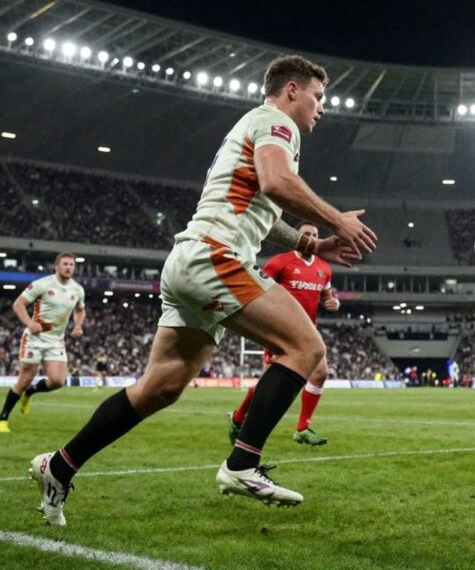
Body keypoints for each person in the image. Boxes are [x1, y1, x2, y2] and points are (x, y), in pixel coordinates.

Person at [29, 54, 377, 526]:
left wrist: (313, 242)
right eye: (318, 97)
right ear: (291, 89)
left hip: (191, 260)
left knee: (161, 387)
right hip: (216, 256)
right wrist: (336, 219)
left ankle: (59, 466)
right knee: (306, 347)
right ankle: (242, 464)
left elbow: (262, 210)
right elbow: (277, 183)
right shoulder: (277, 121)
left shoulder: (256, 126)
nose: (322, 108)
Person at [229, 221, 340, 447]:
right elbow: (259, 287)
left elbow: (327, 295)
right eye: (306, 234)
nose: (311, 237)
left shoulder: (323, 268)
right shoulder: (280, 262)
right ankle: (238, 417)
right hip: (280, 330)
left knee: (320, 373)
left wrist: (332, 301)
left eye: (315, 234)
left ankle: (302, 427)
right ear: (296, 237)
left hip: (308, 331)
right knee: (269, 387)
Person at [0, 252, 86, 433]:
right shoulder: (42, 284)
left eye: (71, 264)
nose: (69, 267)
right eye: (65, 264)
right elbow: (18, 304)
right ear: (57, 266)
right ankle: (3, 419)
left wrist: (78, 325)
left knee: (57, 381)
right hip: (35, 339)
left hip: (56, 340)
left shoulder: (77, 290)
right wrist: (30, 323)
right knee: (24, 379)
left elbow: (80, 309)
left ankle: (30, 393)